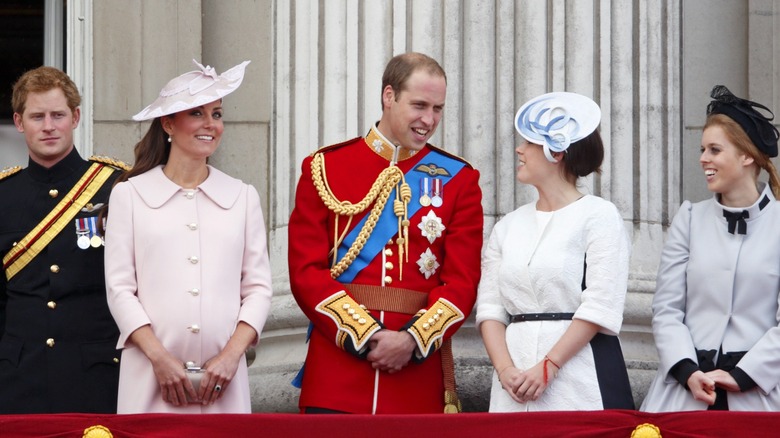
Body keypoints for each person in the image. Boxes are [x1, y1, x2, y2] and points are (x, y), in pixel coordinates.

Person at [288, 52, 483, 414]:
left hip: (415, 381)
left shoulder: (459, 179)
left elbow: (462, 282)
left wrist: (411, 340)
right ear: (389, 96)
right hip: (337, 376)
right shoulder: (325, 168)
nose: (429, 120)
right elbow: (305, 272)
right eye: (419, 105)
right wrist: (367, 336)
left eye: (438, 108)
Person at [103, 60, 273, 413]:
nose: (211, 124)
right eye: (197, 113)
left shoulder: (242, 196)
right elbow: (120, 289)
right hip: (149, 375)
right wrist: (159, 358)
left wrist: (230, 358)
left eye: (217, 113)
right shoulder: (129, 195)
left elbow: (257, 289)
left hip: (223, 381)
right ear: (168, 123)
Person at [476, 92, 634, 412]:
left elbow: (601, 304)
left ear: (557, 150)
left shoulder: (599, 216)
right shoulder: (507, 226)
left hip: (579, 375)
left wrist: (549, 366)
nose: (519, 150)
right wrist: (506, 371)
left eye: (529, 143)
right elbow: (490, 308)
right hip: (513, 382)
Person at [641, 85, 780, 412]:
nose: (704, 159)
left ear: (746, 155)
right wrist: (687, 371)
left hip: (758, 395)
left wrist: (744, 376)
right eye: (703, 149)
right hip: (684, 393)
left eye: (715, 150)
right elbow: (666, 309)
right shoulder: (689, 218)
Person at [0, 66, 125, 413]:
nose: (49, 126)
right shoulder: (3, 196)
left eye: (58, 115)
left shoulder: (118, 188)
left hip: (97, 376)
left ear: (76, 117)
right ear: (19, 122)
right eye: (37, 116)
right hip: (18, 381)